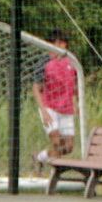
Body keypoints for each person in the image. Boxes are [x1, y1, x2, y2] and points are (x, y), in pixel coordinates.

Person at [30, 31, 79, 167]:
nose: (60, 45)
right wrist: (44, 111)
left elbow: (74, 85)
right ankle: (55, 172)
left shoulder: (71, 61)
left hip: (66, 109)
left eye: (62, 43)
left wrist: (75, 103)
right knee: (57, 142)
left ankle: (39, 157)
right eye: (56, 43)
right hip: (49, 107)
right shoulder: (44, 62)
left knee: (68, 147)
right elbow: (36, 88)